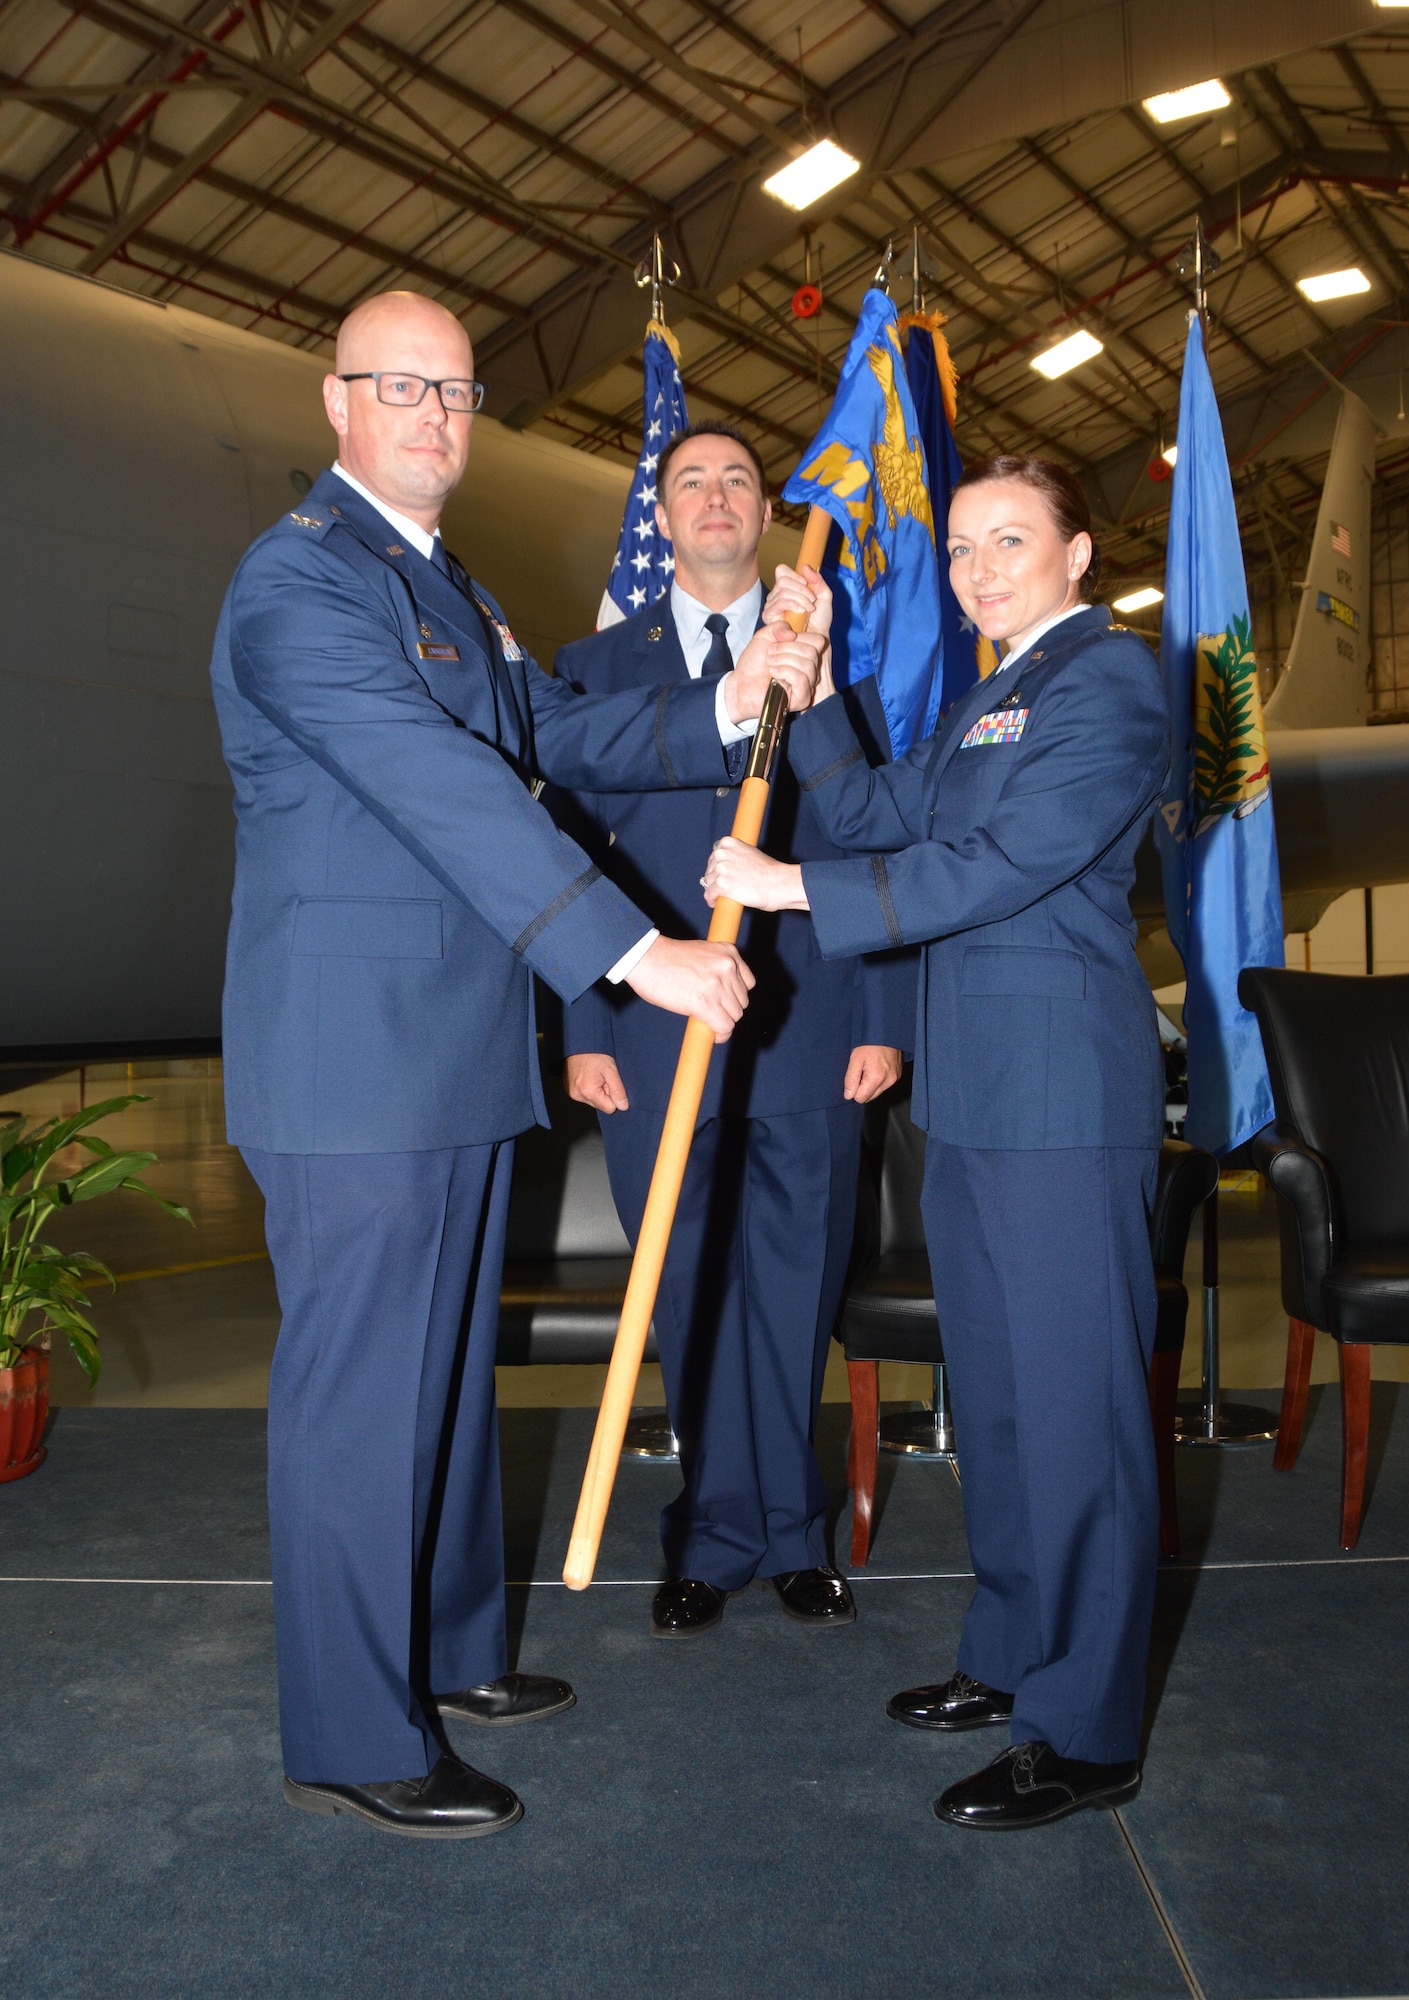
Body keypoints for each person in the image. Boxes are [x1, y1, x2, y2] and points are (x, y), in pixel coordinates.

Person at [209, 292, 821, 1839]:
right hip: (352, 1066)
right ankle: (354, 1730)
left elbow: (562, 730)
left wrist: (736, 695)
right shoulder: (299, 585)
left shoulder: (451, 594)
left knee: (444, 1381)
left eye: (456, 390)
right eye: (398, 386)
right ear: (335, 401)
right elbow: (441, 787)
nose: (431, 412)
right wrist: (635, 952)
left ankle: (455, 1651)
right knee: (362, 1395)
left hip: (456, 1056)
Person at [703, 455, 1170, 1831]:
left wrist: (788, 887)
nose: (978, 567)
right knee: (1008, 1414)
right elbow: (867, 811)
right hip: (973, 1107)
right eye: (963, 545)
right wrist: (824, 676)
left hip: (1064, 1107)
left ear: (1079, 555)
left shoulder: (1109, 681)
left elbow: (1000, 863)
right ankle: (1013, 1657)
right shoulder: (995, 691)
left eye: (1009, 539)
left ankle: (1085, 1730)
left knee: (1076, 1418)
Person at [549, 421, 909, 1638]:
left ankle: (796, 1532)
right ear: (660, 517)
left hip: (811, 1027)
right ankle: (710, 1533)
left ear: (763, 519)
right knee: (686, 1290)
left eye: (738, 482)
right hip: (651, 1038)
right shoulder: (594, 669)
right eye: (689, 479)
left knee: (795, 1288)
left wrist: (886, 1014)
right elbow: (561, 860)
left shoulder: (825, 664)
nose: (714, 496)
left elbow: (869, 838)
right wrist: (582, 1024)